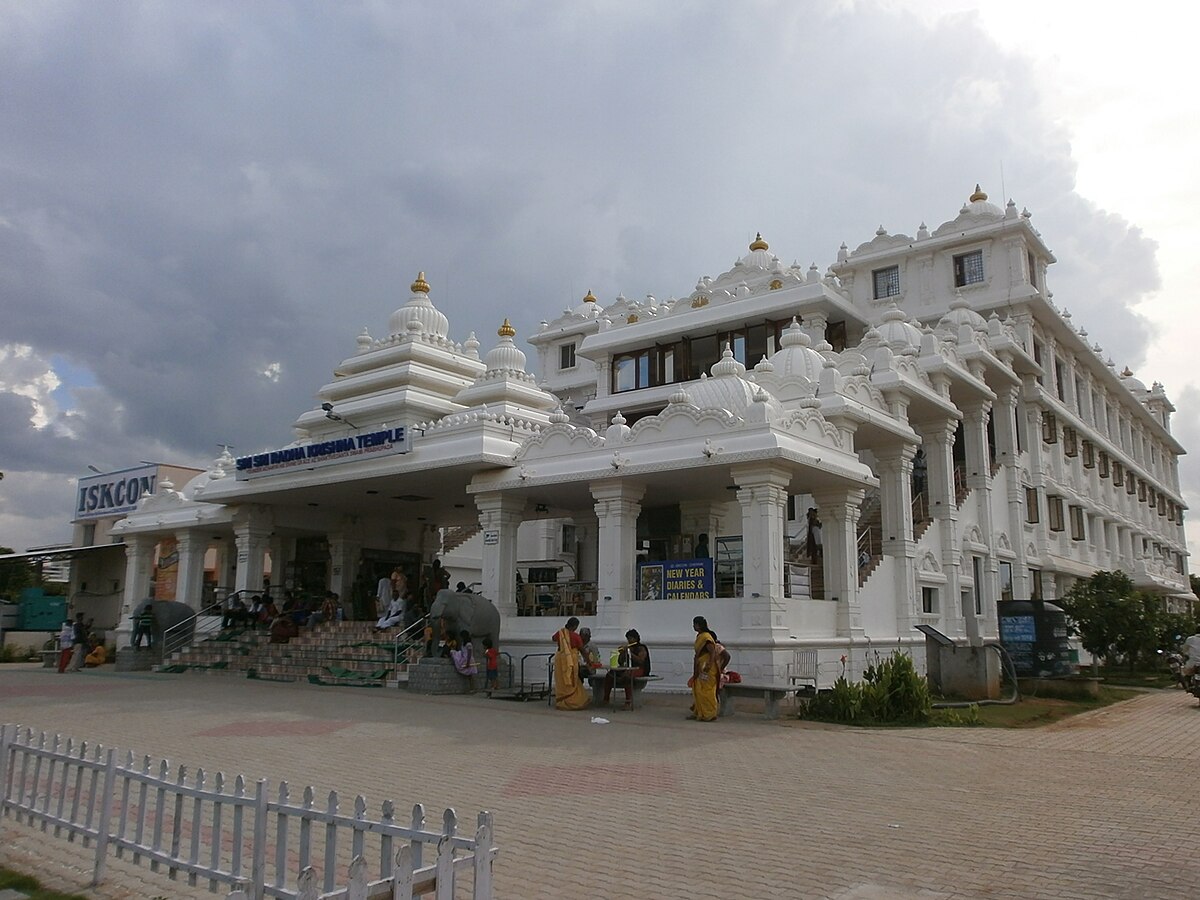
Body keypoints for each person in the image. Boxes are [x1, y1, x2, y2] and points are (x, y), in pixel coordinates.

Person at [603, 629, 652, 710]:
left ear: (636, 638)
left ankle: (628, 702)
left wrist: (629, 653)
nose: (629, 641)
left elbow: (641, 660)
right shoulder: (629, 647)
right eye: (628, 639)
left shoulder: (641, 648)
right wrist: (622, 653)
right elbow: (620, 662)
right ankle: (606, 699)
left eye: (631, 638)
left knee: (627, 676)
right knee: (610, 675)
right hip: (628, 668)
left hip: (640, 669)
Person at [551, 617, 589, 710]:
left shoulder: (560, 633)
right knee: (571, 680)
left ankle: (561, 702)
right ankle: (573, 702)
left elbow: (553, 638)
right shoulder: (575, 636)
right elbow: (582, 650)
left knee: (561, 680)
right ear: (575, 626)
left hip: (560, 660)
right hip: (570, 660)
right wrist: (589, 661)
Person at [689, 616, 720, 721]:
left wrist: (709, 665)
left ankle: (709, 714)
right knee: (697, 689)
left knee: (707, 691)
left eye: (694, 624)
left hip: (707, 667)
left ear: (698, 625)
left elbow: (712, 652)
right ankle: (699, 712)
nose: (693, 626)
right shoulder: (700, 636)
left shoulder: (706, 637)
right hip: (700, 665)